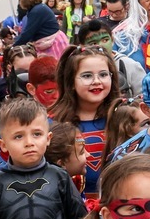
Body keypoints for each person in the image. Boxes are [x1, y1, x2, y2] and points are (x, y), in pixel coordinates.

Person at [49, 45, 123, 204]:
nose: (97, 81)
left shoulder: (123, 117)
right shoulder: (53, 123)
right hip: (69, 205)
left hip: (117, 205)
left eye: (103, 74)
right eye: (87, 76)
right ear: (70, 82)